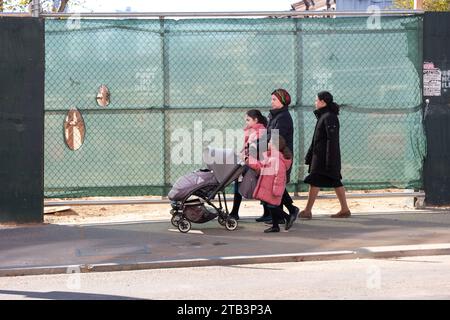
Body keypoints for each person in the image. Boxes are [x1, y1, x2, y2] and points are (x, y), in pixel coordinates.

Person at [300, 91, 351, 219]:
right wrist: (310, 155)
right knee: (333, 180)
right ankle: (344, 209)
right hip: (321, 157)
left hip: (324, 158)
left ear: (323, 102)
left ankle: (307, 211)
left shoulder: (329, 117)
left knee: (316, 180)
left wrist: (330, 160)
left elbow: (331, 140)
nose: (315, 102)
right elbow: (317, 139)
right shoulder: (324, 116)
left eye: (316, 100)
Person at [255, 89, 299, 224]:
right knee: (275, 185)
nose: (271, 102)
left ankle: (289, 211)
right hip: (272, 155)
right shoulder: (274, 115)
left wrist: (257, 147)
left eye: (274, 99)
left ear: (282, 101)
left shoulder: (283, 118)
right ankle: (283, 214)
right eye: (272, 99)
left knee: (277, 185)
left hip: (281, 157)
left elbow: (275, 139)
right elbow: (267, 135)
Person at [247, 136, 294, 233]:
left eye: (269, 143)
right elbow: (259, 166)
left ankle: (288, 217)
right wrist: (249, 160)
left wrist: (276, 190)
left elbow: (280, 176)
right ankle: (275, 226)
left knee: (272, 206)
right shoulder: (270, 157)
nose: (267, 144)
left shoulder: (277, 160)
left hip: (272, 188)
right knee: (271, 206)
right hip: (268, 187)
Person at [229, 110, 267, 220]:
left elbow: (256, 151)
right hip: (249, 162)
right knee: (239, 182)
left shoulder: (260, 132)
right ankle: (235, 212)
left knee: (261, 188)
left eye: (248, 120)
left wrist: (247, 159)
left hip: (255, 164)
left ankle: (267, 213)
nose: (246, 122)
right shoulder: (252, 131)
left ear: (256, 120)